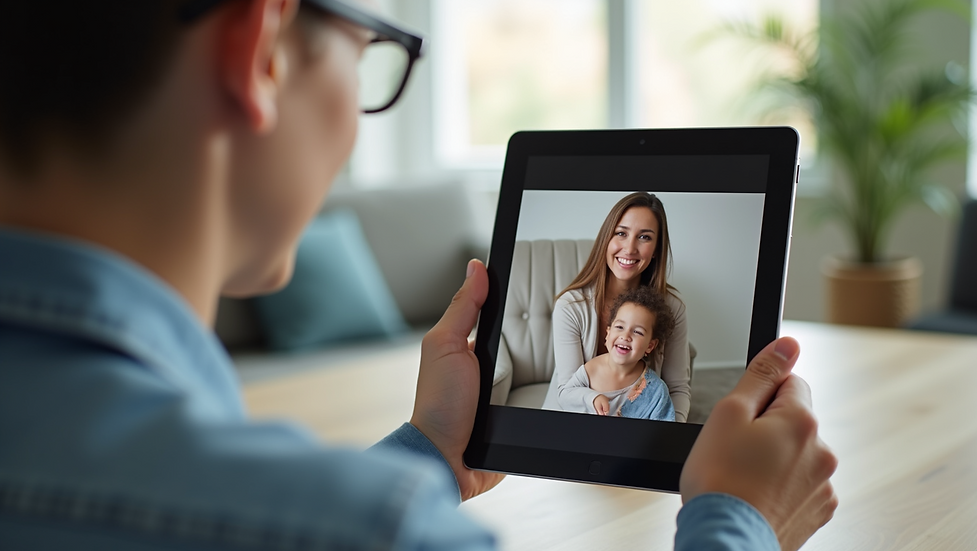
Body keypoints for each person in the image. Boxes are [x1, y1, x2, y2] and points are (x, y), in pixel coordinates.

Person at [0, 1, 837, 550]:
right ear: (257, 49)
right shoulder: (378, 530)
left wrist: (430, 450)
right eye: (371, 54)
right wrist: (739, 521)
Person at [544, 192, 693, 421]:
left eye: (644, 237)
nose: (630, 248)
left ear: (656, 250)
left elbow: (678, 389)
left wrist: (670, 435)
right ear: (606, 239)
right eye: (621, 233)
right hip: (570, 419)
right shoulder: (570, 307)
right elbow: (567, 391)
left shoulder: (673, 308)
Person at [556, 286, 676, 421]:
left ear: (650, 346)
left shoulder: (655, 390)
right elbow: (565, 396)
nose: (625, 336)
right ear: (608, 334)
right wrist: (592, 397)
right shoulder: (591, 369)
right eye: (619, 327)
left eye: (637, 332)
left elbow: (664, 430)